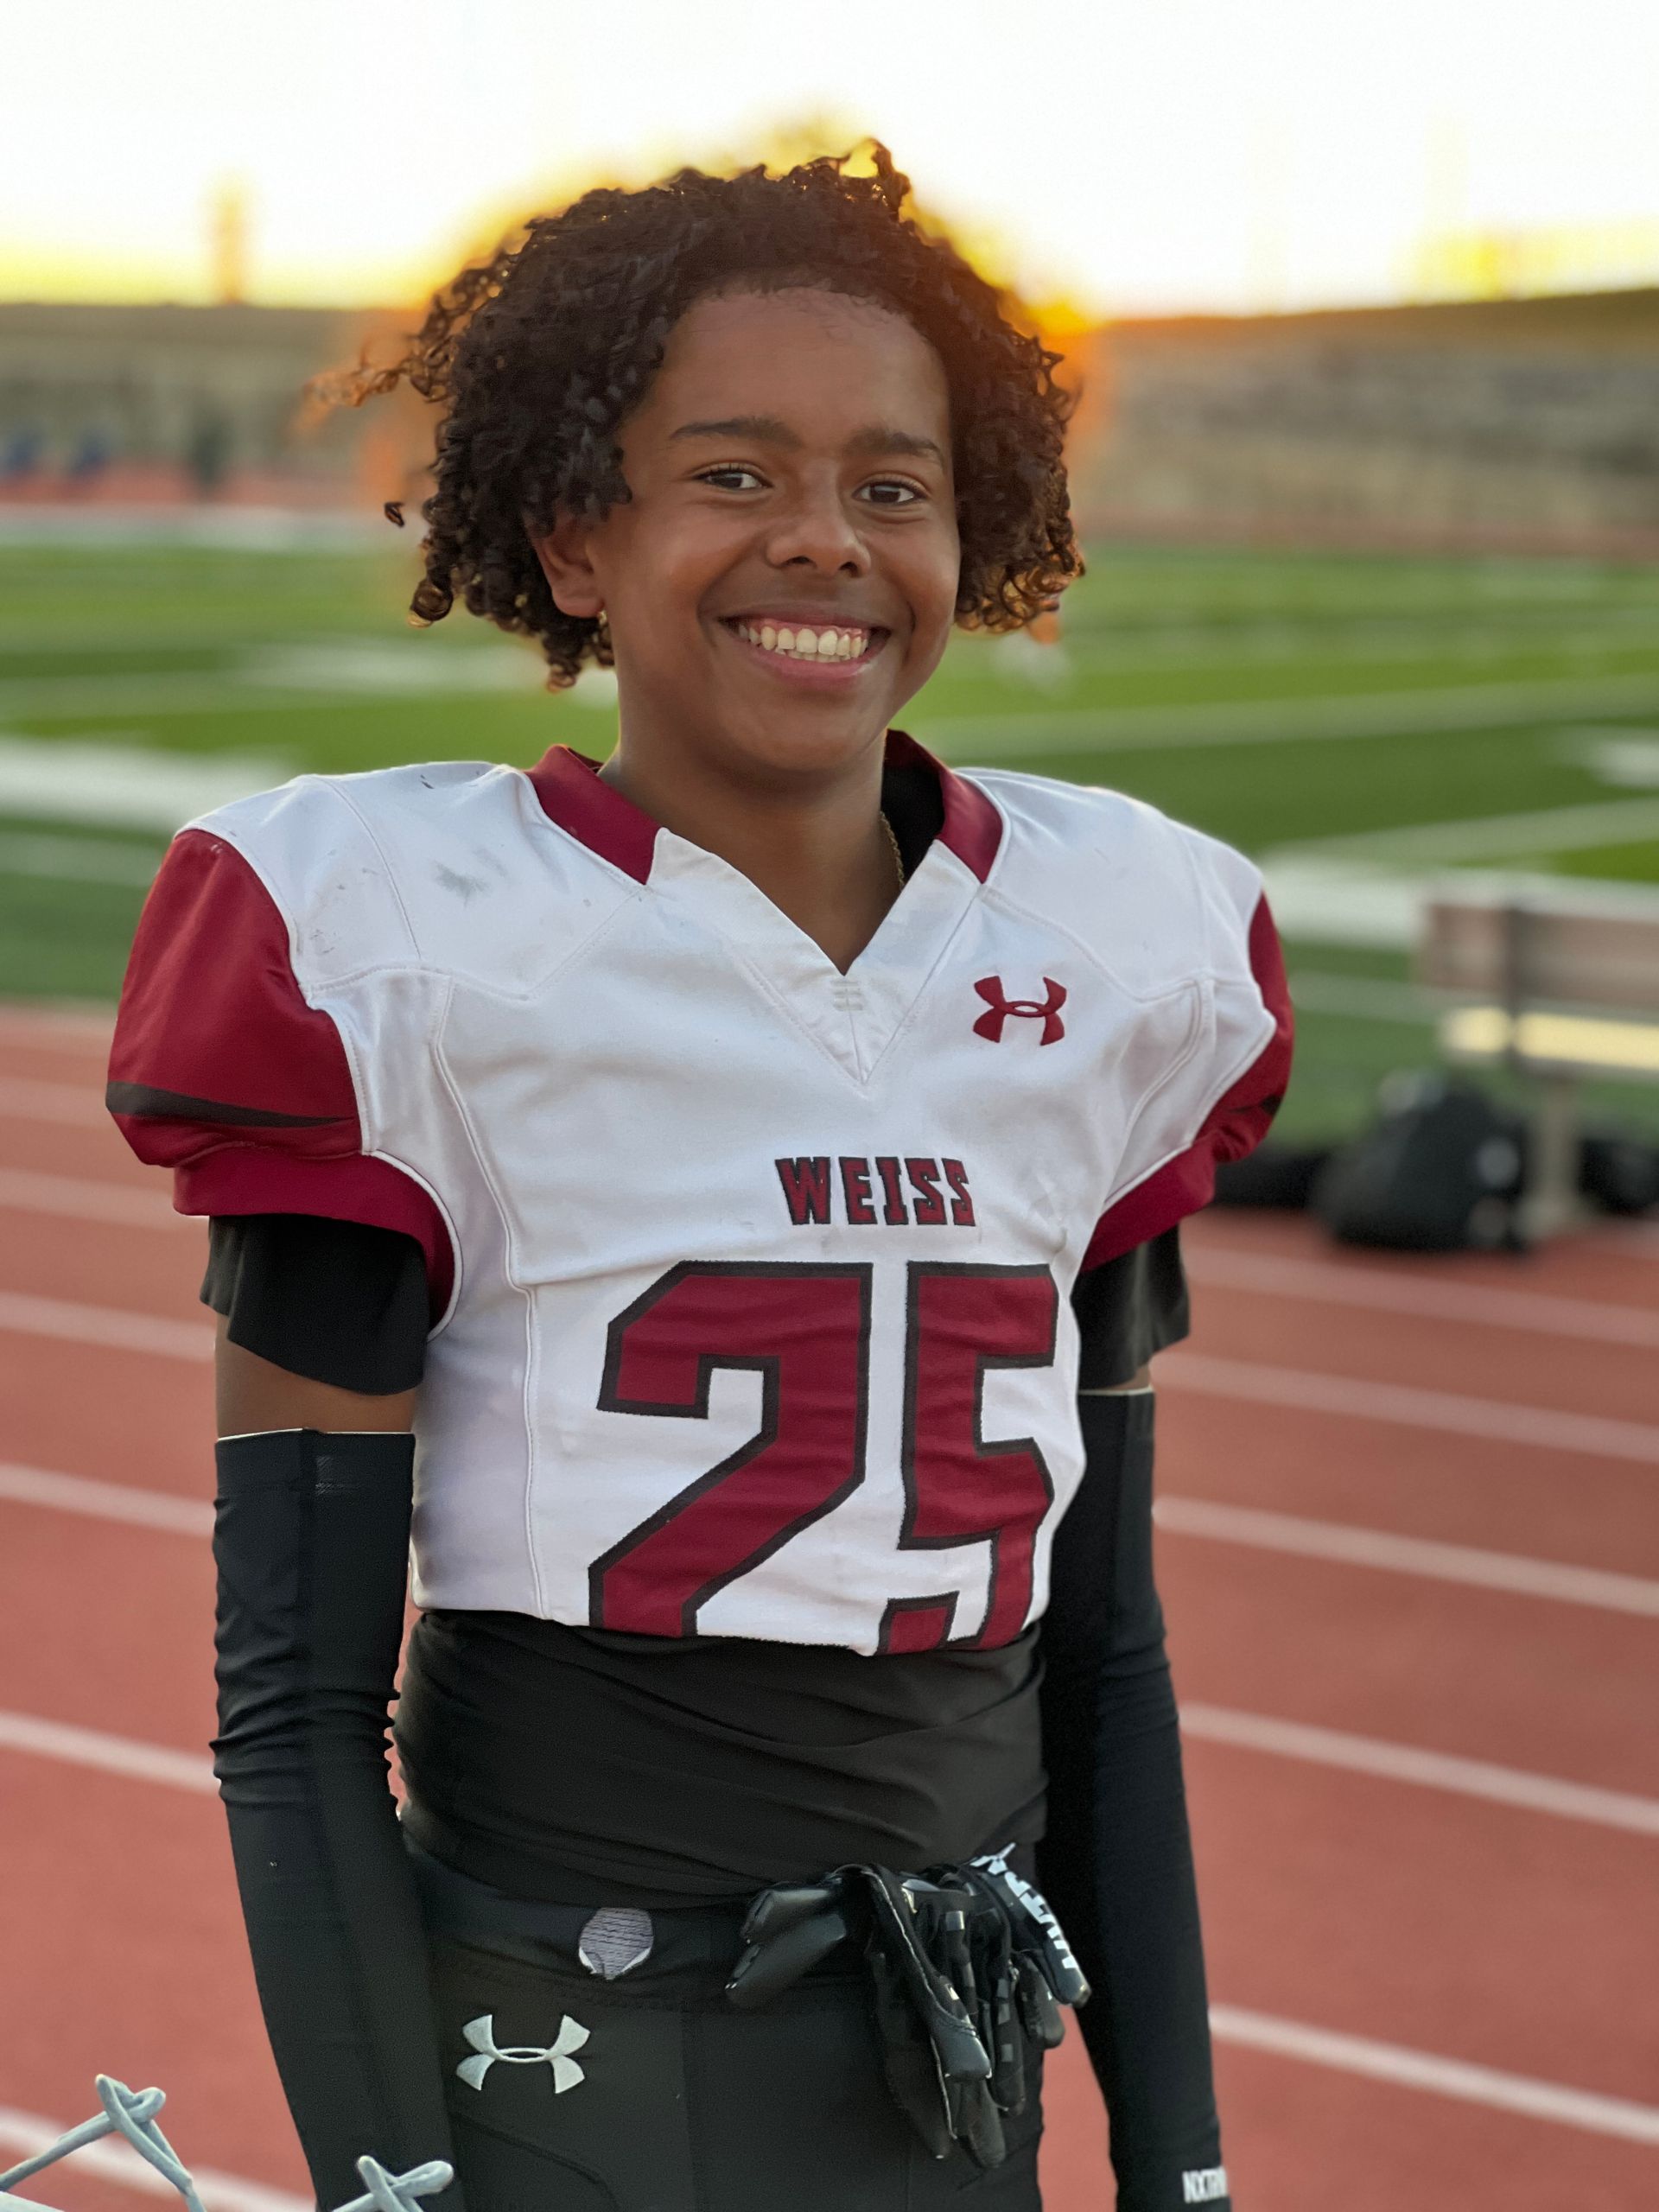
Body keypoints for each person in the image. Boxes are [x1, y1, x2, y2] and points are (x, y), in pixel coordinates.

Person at [107, 145, 1292, 2212]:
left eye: (894, 485)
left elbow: (1107, 1654)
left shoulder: (1115, 954)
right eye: (733, 474)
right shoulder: (406, 948)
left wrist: (1178, 2160)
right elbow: (291, 1699)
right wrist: (397, 2181)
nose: (824, 541)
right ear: (578, 534)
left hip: (957, 2059)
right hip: (569, 2064)